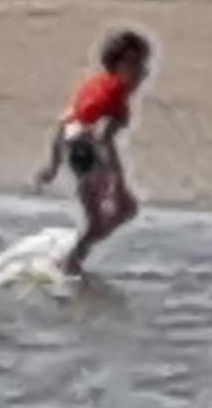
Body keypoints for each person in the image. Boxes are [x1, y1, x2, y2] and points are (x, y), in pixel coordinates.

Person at [38, 28, 150, 276]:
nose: (142, 71)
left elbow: (64, 122)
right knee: (124, 210)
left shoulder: (95, 85)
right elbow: (102, 138)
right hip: (86, 150)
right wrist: (119, 186)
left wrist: (53, 165)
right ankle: (71, 260)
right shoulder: (115, 99)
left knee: (98, 217)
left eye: (143, 63)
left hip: (73, 146)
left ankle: (71, 260)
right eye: (134, 64)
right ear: (116, 65)